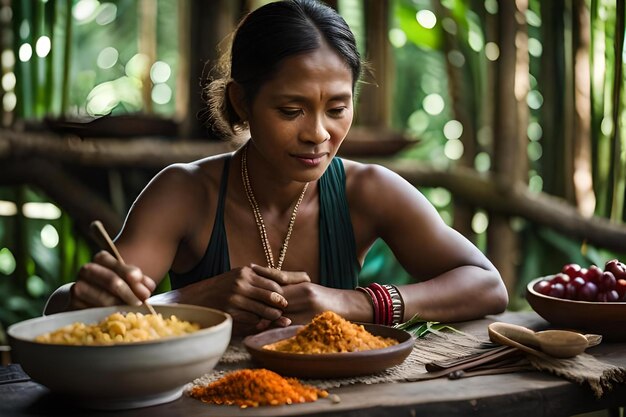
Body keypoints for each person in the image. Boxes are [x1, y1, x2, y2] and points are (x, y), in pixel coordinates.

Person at [45, 0, 508, 336]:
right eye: (292, 110)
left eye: (337, 109)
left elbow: (487, 286)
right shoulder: (184, 193)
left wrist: (356, 302)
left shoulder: (368, 190)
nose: (318, 134)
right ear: (242, 101)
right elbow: (65, 313)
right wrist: (191, 300)